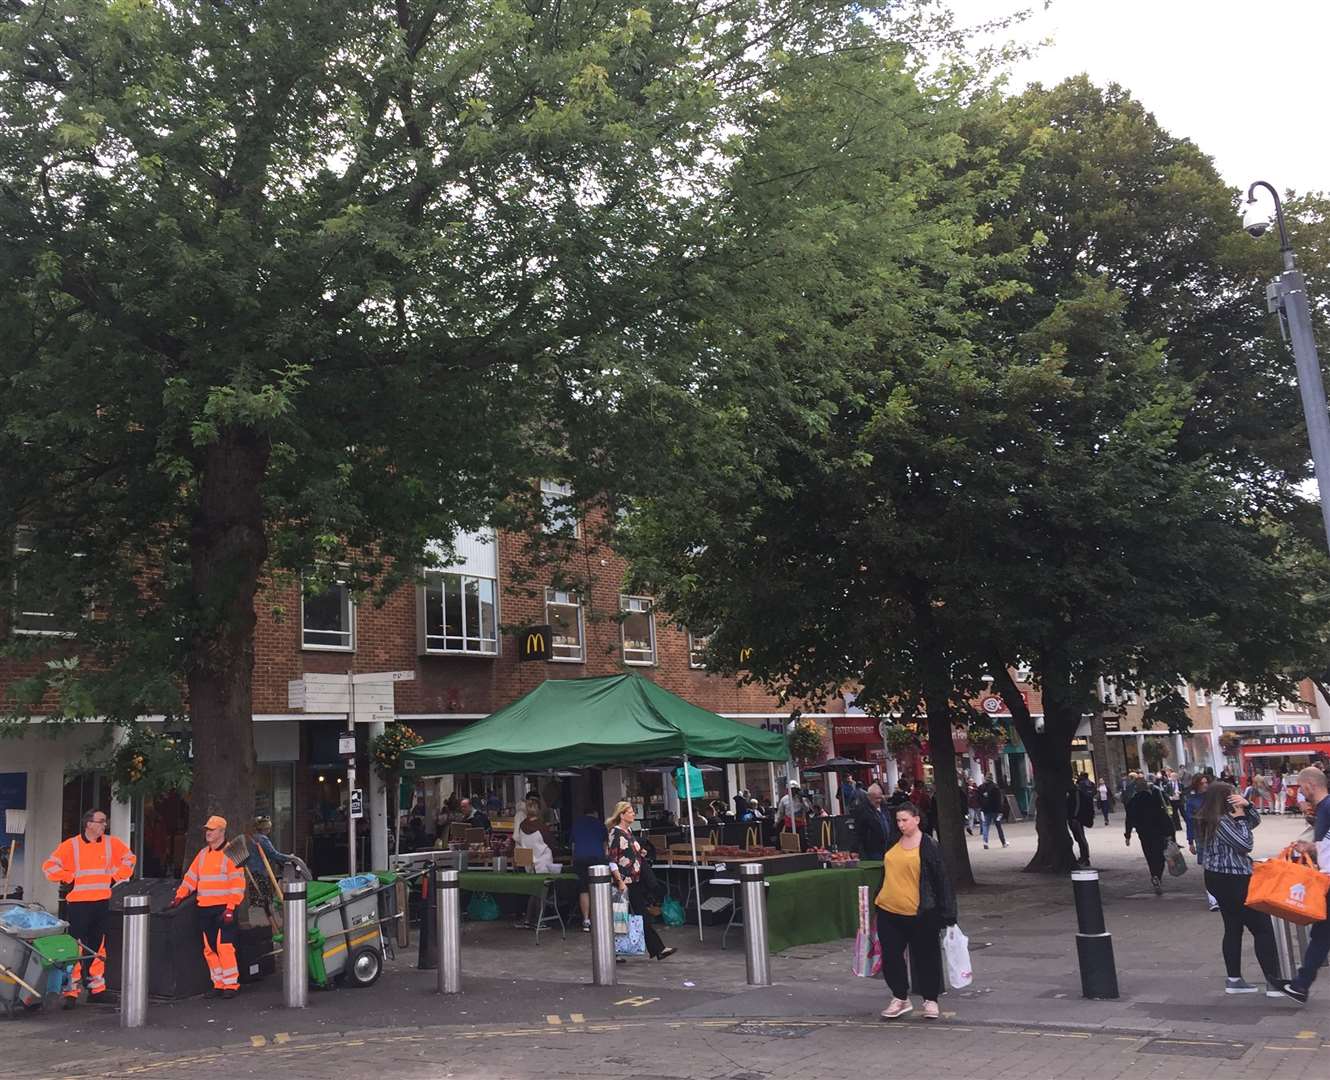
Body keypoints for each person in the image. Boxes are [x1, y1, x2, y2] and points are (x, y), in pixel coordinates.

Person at [1193, 782, 1283, 995]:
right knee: (1262, 927)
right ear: (1226, 799)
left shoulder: (1215, 818)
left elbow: (1255, 822)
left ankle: (1234, 980)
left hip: (1219, 878)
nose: (1238, 797)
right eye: (1234, 795)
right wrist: (1241, 815)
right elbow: (1244, 844)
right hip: (1232, 878)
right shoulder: (1221, 821)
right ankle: (1273, 982)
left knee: (1233, 927)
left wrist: (1248, 806)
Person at [41, 808, 137, 1007]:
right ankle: (72, 991)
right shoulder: (71, 846)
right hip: (78, 904)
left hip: (101, 902)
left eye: (105, 822)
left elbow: (130, 859)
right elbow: (49, 867)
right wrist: (70, 877)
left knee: (98, 945)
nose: (104, 825)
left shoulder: (112, 844)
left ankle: (96, 988)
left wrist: (115, 877)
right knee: (76, 945)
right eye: (101, 821)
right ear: (89, 824)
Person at [875, 802, 957, 1021]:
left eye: (905, 820)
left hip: (921, 912)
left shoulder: (930, 845)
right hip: (888, 908)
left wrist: (947, 913)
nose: (901, 824)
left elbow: (942, 880)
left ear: (917, 819)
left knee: (926, 956)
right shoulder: (893, 841)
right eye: (898, 820)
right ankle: (899, 997)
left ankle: (930, 1000)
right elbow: (886, 872)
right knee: (891, 956)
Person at [172, 815, 245, 998]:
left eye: (212, 830)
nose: (208, 833)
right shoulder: (203, 854)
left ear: (222, 831)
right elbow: (191, 878)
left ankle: (231, 985)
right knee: (210, 948)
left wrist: (231, 907)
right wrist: (180, 896)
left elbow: (237, 884)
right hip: (205, 908)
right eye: (207, 830)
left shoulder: (231, 854)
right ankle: (218, 984)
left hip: (223, 908)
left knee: (225, 947)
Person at [1279, 766, 1330, 1005]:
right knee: (1321, 934)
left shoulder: (1328, 807)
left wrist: (1311, 848)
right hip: (1326, 878)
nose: (1301, 792)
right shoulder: (1323, 809)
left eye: (1301, 787)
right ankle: (1300, 985)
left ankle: (1301, 984)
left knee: (1321, 934)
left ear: (1310, 785)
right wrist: (1311, 847)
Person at [607, 802, 675, 960]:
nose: (633, 814)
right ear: (622, 815)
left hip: (635, 879)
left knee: (637, 913)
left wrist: (641, 852)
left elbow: (631, 852)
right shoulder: (615, 833)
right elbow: (612, 859)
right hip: (623, 880)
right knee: (620, 915)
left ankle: (657, 949)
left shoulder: (629, 831)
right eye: (630, 812)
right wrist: (619, 880)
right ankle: (617, 950)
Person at [1124, 777, 1176, 895]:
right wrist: (1171, 833)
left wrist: (1127, 835)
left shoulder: (1132, 802)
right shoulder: (1154, 798)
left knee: (1150, 855)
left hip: (1144, 833)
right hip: (1158, 832)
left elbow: (1129, 820)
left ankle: (1154, 875)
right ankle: (1158, 875)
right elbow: (1164, 816)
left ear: (1136, 789)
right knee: (1160, 856)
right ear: (1147, 787)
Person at [512, 799, 557, 929]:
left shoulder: (522, 826)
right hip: (543, 861)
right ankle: (540, 920)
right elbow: (551, 843)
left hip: (530, 862)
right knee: (542, 892)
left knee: (533, 892)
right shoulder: (542, 826)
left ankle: (528, 919)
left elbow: (520, 841)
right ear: (538, 810)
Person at [570, 807, 608, 932]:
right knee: (599, 889)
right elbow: (605, 846)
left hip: (580, 859)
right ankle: (601, 920)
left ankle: (586, 920)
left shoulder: (577, 824)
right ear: (595, 814)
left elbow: (573, 845)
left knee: (584, 889)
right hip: (597, 859)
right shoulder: (600, 824)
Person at [852, 783, 898, 861]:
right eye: (876, 798)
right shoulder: (863, 810)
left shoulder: (885, 808)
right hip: (873, 849)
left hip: (889, 847)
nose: (878, 801)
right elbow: (858, 831)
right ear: (869, 797)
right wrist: (855, 849)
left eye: (880, 798)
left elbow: (891, 824)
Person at [1067, 779, 1094, 867]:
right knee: (1078, 838)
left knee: (1081, 838)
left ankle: (1085, 857)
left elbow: (1077, 805)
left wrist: (1075, 817)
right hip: (1071, 818)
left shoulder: (1076, 793)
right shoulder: (1070, 793)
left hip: (1076, 819)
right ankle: (1083, 857)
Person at [977, 776, 1007, 849]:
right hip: (995, 810)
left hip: (985, 810)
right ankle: (1003, 842)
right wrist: (1000, 810)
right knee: (998, 826)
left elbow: (979, 798)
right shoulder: (995, 787)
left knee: (985, 826)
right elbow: (998, 800)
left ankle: (985, 842)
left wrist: (981, 806)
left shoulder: (981, 787)